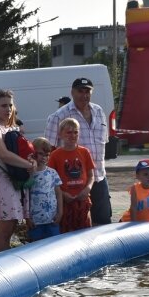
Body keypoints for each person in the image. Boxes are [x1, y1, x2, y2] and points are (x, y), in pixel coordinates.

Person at [45, 78, 112, 225]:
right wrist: (60, 191)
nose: (84, 95)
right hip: (71, 185)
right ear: (72, 92)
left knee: (103, 223)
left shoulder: (99, 111)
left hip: (99, 177)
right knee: (73, 225)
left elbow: (102, 144)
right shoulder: (58, 116)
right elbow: (48, 152)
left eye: (87, 91)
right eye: (80, 91)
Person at [0, 89, 36, 253]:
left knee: (13, 224)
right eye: (3, 105)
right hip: (4, 181)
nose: (8, 109)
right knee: (5, 228)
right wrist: (28, 165)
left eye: (10, 105)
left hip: (16, 181)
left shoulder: (14, 127)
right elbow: (3, 154)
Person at [47, 118, 95, 232]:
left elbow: (91, 175)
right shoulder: (55, 155)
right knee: (66, 234)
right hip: (64, 202)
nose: (72, 135)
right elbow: (50, 181)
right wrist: (62, 194)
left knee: (85, 232)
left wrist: (87, 189)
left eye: (75, 132)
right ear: (60, 134)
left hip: (82, 200)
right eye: (68, 132)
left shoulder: (85, 152)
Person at [27, 137, 63, 241]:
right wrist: (27, 218)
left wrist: (60, 212)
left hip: (52, 220)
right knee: (36, 248)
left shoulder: (52, 173)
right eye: (40, 154)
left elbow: (58, 194)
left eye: (47, 155)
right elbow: (26, 196)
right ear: (33, 153)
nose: (44, 157)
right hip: (35, 222)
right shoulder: (29, 173)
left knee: (54, 246)